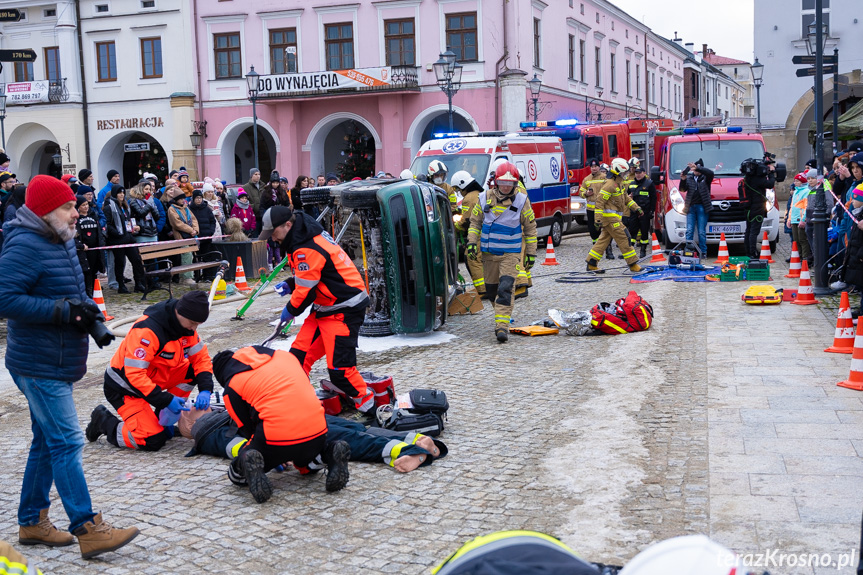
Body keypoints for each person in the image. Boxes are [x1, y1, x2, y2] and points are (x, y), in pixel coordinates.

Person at [0, 175, 139, 560]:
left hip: (54, 357)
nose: (77, 213)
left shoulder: (56, 237)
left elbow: (63, 291)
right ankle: (87, 528)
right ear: (46, 210)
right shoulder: (27, 243)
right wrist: (62, 311)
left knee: (46, 441)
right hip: (38, 362)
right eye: (67, 207)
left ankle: (31, 521)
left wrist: (85, 312)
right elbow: (4, 297)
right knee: (66, 441)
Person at [261, 206, 376, 414]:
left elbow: (306, 290)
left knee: (340, 370)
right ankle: (301, 404)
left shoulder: (305, 245)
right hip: (325, 307)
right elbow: (316, 273)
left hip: (343, 309)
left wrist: (290, 310)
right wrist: (291, 282)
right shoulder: (303, 233)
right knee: (296, 361)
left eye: (273, 233)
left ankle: (368, 405)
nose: (272, 239)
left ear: (287, 225)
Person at [212, 346, 352, 502]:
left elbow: (246, 428)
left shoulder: (232, 386)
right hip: (317, 428)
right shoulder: (286, 357)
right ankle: (330, 451)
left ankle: (248, 462)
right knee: (307, 465)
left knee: (236, 474)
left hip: (274, 437)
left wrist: (269, 455)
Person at [85, 291, 214, 452]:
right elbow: (135, 375)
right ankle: (104, 422)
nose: (194, 328)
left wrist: (206, 390)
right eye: (192, 323)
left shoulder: (186, 328)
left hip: (153, 379)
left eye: (198, 324)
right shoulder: (147, 331)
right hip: (125, 388)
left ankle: (162, 417)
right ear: (179, 313)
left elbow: (201, 360)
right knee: (151, 440)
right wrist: (166, 400)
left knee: (193, 372)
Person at [189, 409, 447, 473]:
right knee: (354, 428)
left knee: (349, 434)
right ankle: (414, 440)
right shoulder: (209, 431)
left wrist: (273, 457)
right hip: (293, 414)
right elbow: (242, 449)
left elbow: (243, 451)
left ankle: (414, 449)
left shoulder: (210, 435)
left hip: (284, 428)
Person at [466, 161, 537, 343]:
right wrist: (472, 243)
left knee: (505, 288)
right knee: (491, 291)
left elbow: (530, 229)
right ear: (496, 182)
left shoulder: (522, 200)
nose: (506, 186)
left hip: (510, 254)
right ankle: (501, 317)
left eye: (510, 183)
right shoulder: (484, 198)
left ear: (515, 183)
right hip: (489, 254)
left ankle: (502, 327)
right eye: (503, 182)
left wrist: (530, 253)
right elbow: (475, 223)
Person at [586, 158, 643, 274]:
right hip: (611, 219)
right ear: (618, 172)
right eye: (624, 172)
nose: (626, 174)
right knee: (624, 237)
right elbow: (600, 202)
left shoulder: (619, 184)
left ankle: (592, 263)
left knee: (603, 241)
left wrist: (636, 208)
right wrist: (597, 219)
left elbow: (626, 198)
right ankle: (633, 264)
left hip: (612, 219)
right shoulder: (610, 185)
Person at [103, 185, 146, 293]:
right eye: (119, 193)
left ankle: (139, 283)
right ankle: (121, 285)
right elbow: (107, 224)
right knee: (120, 263)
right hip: (118, 239)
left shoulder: (125, 207)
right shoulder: (109, 207)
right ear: (114, 194)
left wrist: (134, 227)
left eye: (123, 192)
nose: (122, 195)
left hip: (129, 237)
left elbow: (129, 220)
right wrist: (117, 233)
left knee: (136, 260)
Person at [451, 170, 486, 297]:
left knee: (472, 259)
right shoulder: (479, 194)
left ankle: (483, 290)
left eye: (458, 189)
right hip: (485, 233)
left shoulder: (468, 199)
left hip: (477, 234)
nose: (459, 192)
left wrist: (454, 226)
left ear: (463, 185)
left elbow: (466, 221)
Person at [739, 153, 777, 259]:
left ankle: (748, 252)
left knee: (749, 230)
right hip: (757, 208)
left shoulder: (747, 179)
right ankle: (753, 253)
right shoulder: (758, 180)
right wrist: (771, 173)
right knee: (754, 232)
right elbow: (770, 184)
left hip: (748, 208)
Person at [679, 158, 714, 259]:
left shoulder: (706, 178)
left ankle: (703, 252)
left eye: (697, 169)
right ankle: (689, 251)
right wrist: (683, 179)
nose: (696, 171)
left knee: (701, 231)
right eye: (694, 169)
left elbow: (710, 173)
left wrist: (698, 167)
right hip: (691, 207)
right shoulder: (689, 178)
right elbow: (682, 189)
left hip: (702, 207)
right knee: (689, 230)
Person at [167, 188, 199, 285]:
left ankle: (188, 275)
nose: (182, 200)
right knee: (187, 254)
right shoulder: (172, 209)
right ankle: (186, 277)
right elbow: (177, 224)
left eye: (183, 198)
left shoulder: (186, 208)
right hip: (181, 236)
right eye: (180, 199)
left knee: (190, 256)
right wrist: (191, 230)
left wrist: (196, 230)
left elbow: (194, 219)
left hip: (190, 236)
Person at [626, 165, 657, 258]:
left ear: (644, 173)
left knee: (644, 232)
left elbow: (653, 198)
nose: (638, 175)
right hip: (634, 212)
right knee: (632, 231)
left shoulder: (649, 183)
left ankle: (643, 250)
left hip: (645, 212)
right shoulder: (631, 184)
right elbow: (627, 197)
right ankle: (629, 251)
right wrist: (629, 197)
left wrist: (652, 211)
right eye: (636, 173)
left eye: (640, 173)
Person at [75, 196, 103, 297]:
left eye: (87, 204)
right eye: (83, 205)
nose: (86, 207)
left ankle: (95, 290)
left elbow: (98, 230)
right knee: (87, 271)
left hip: (95, 248)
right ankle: (87, 291)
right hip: (84, 249)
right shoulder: (77, 219)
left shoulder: (93, 215)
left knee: (95, 270)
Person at [189, 189, 217, 280]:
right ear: (193, 199)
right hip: (195, 238)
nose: (199, 200)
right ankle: (196, 276)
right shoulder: (189, 209)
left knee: (207, 258)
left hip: (206, 237)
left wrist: (211, 231)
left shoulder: (207, 209)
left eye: (200, 198)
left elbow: (213, 221)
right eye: (197, 198)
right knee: (196, 258)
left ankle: (207, 276)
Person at [579, 160, 606, 252]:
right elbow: (580, 193)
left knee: (604, 228)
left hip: (603, 208)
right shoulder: (586, 179)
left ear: (599, 167)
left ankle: (607, 249)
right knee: (592, 229)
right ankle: (596, 246)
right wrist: (586, 193)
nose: (594, 168)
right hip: (591, 209)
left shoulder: (604, 178)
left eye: (596, 166)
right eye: (592, 166)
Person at [787, 173, 811, 264]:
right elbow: (792, 207)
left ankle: (805, 258)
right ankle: (799, 256)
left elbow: (806, 206)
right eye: (795, 181)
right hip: (794, 219)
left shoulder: (806, 191)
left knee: (802, 239)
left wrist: (803, 219)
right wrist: (789, 219)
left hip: (800, 219)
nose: (795, 183)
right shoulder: (796, 191)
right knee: (796, 239)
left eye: (797, 181)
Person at [244, 168, 263, 237]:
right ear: (251, 175)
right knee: (254, 237)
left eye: (259, 174)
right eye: (256, 174)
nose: (258, 176)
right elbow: (244, 201)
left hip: (263, 216)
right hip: (253, 217)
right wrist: (253, 206)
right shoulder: (246, 187)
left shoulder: (263, 186)